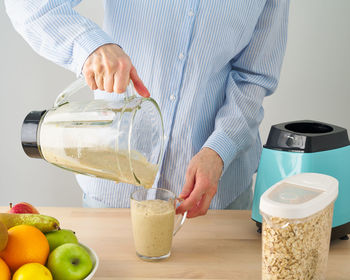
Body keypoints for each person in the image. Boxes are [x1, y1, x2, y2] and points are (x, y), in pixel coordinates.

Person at [5, 1, 290, 218]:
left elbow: (253, 76)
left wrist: (219, 151)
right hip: (114, 192)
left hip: (214, 196)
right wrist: (90, 45)